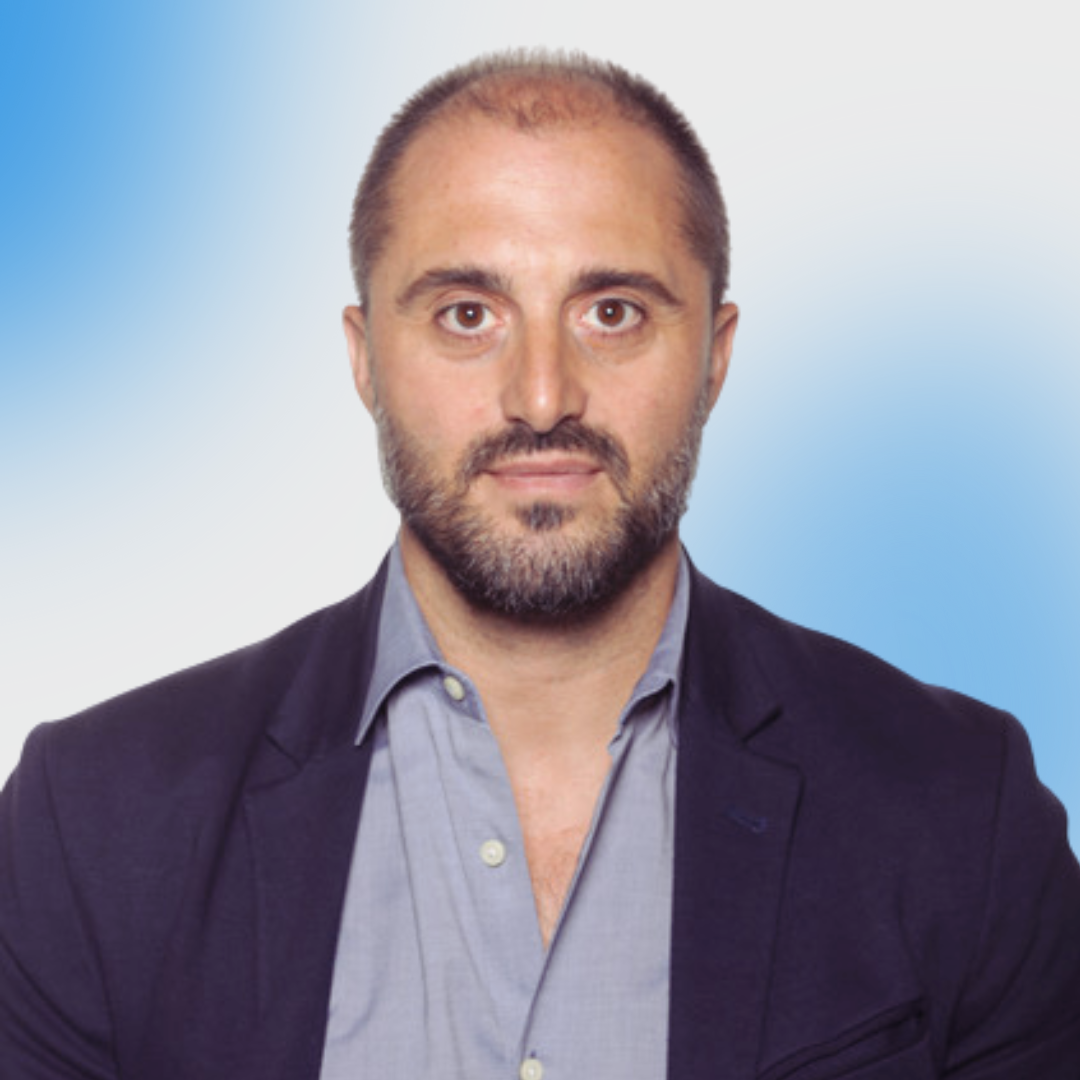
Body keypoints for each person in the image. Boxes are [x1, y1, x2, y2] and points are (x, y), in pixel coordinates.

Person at [2, 50, 1078, 1080]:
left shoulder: (959, 811)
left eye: (613, 313)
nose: (543, 396)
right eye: (468, 316)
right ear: (366, 359)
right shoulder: (92, 822)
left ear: (714, 357)